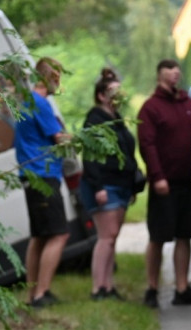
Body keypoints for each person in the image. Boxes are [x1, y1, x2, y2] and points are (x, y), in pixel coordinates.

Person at [136, 59, 191, 308]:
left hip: (187, 178)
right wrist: (157, 175)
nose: (175, 73)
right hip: (165, 182)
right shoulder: (151, 108)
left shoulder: (187, 104)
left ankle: (182, 287)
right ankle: (152, 287)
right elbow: (147, 144)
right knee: (159, 236)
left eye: (177, 69)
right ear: (159, 74)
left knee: (184, 234)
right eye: (169, 69)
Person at [15, 57, 70, 308]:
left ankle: (32, 294)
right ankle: (41, 294)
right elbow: (59, 139)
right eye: (58, 77)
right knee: (59, 234)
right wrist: (76, 140)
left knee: (39, 236)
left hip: (30, 175)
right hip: (44, 174)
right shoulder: (41, 103)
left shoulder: (25, 100)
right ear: (51, 77)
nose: (59, 82)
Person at [80, 68, 138, 300]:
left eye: (119, 91)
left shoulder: (118, 120)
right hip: (105, 186)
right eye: (112, 91)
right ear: (101, 95)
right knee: (106, 235)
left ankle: (108, 285)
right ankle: (97, 287)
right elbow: (90, 157)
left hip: (122, 184)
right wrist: (98, 187)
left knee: (113, 237)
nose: (117, 95)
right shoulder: (94, 120)